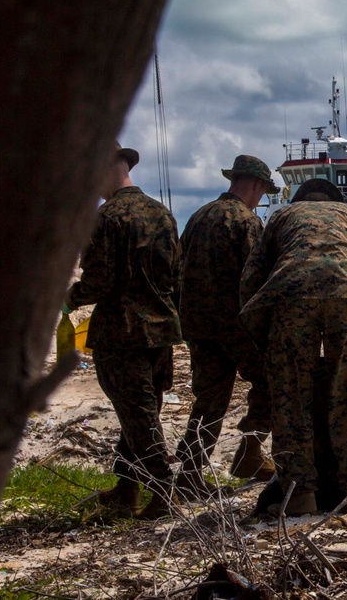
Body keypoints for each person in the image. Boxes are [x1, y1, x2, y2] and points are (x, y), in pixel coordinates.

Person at [239, 179, 347, 516]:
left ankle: (299, 494)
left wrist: (264, 339)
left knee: (291, 396)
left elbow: (251, 279)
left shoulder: (282, 217)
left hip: (290, 295)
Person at [65, 144, 183, 520]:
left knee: (139, 418)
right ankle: (127, 490)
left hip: (122, 332)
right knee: (143, 413)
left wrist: (70, 298)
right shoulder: (162, 213)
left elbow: (98, 280)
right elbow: (175, 275)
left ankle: (163, 492)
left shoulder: (106, 217)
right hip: (161, 330)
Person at [175, 155, 281, 495]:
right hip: (236, 325)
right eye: (263, 191)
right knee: (271, 382)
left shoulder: (198, 216)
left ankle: (190, 472)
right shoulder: (245, 222)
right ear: (257, 185)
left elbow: (179, 268)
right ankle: (249, 451)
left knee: (209, 399)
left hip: (198, 326)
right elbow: (257, 277)